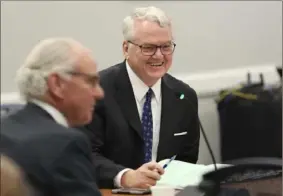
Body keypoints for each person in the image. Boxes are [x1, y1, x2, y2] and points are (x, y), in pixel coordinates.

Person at [81, 6, 200, 189]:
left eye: (166, 46)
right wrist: (125, 176)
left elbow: (187, 159)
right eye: (149, 47)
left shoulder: (184, 96)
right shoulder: (96, 91)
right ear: (126, 49)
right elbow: (84, 155)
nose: (159, 55)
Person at [0, 37, 104, 196]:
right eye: (91, 81)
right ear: (57, 84)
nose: (99, 93)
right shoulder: (65, 143)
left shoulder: (4, 129)